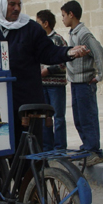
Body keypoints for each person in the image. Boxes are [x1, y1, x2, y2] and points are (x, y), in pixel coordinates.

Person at [0, 0, 88, 150]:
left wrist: (68, 52)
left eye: (19, 4)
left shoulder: (31, 28)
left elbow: (48, 52)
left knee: (29, 150)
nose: (17, 8)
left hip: (26, 102)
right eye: (12, 4)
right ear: (1, 4)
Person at [61, 0, 103, 165]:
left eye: (63, 15)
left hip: (84, 83)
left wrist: (99, 76)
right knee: (79, 118)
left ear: (71, 14)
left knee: (88, 117)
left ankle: (94, 151)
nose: (62, 19)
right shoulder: (73, 34)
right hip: (75, 82)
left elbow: (100, 53)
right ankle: (87, 147)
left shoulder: (83, 34)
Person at [36, 9, 68, 151]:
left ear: (46, 24)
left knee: (58, 117)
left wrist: (48, 71)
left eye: (38, 23)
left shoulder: (58, 40)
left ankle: (60, 147)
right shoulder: (37, 41)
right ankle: (47, 147)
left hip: (56, 86)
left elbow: (64, 62)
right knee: (44, 116)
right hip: (42, 85)